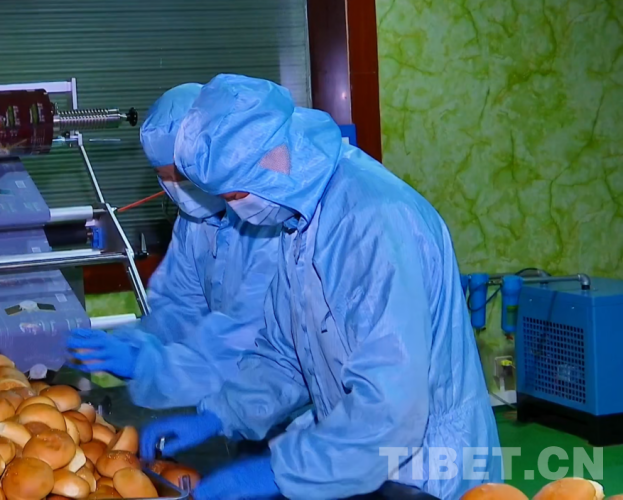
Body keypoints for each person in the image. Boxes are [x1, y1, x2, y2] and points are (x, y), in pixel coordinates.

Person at [139, 75, 503, 499]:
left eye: (235, 195)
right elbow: (286, 356)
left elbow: (391, 405)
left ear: (273, 160)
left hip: (425, 471)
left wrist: (278, 473)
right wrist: (220, 414)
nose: (234, 212)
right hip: (358, 460)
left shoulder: (370, 221)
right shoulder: (299, 222)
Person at [66, 83, 280, 412]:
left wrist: (149, 366)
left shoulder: (267, 223)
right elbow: (179, 308)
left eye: (182, 175)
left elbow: (244, 343)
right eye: (163, 177)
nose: (176, 189)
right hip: (234, 404)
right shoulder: (193, 224)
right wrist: (134, 342)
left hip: (287, 406)